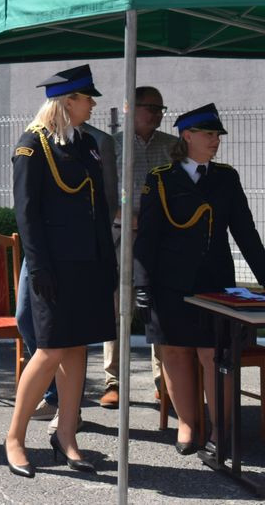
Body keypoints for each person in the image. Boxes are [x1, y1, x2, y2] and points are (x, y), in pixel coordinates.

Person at [134, 103, 265, 455]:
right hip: (169, 284)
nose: (215, 141)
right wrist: (141, 285)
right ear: (186, 136)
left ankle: (221, 429)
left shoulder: (226, 178)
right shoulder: (161, 179)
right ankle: (189, 425)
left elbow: (246, 233)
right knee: (175, 353)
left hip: (214, 284)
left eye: (217, 135)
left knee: (213, 355)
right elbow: (146, 238)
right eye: (208, 134)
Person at [4, 64, 115, 478]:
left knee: (76, 349)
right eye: (87, 98)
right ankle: (14, 437)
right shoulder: (32, 145)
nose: (92, 104)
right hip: (52, 267)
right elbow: (27, 215)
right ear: (68, 101)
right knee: (50, 350)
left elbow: (98, 209)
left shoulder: (86, 144)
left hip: (85, 265)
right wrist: (38, 267)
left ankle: (67, 436)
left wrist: (107, 262)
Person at [16, 119, 117, 431]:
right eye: (85, 98)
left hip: (79, 253)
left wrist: (105, 255)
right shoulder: (36, 140)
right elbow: (27, 207)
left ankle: (64, 409)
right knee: (25, 318)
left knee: (66, 341)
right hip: (43, 252)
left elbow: (106, 199)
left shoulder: (94, 141)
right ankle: (51, 400)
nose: (91, 105)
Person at [102, 86, 176, 409]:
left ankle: (164, 381)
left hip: (160, 240)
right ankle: (113, 381)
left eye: (161, 109)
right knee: (119, 307)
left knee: (158, 308)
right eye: (151, 107)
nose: (158, 114)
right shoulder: (112, 147)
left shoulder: (172, 147)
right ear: (131, 108)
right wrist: (129, 218)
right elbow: (104, 196)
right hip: (122, 235)